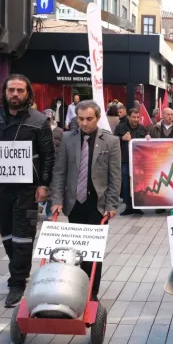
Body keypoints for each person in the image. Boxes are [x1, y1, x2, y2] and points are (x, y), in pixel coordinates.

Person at [0, 74, 55, 308]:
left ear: (28, 94)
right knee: (6, 234)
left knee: (24, 235)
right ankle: (20, 270)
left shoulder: (39, 120)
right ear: (4, 92)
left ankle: (17, 282)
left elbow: (48, 155)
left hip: (28, 189)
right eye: (11, 90)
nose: (15, 94)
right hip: (0, 189)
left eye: (20, 90)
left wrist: (44, 184)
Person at [51, 100, 121, 302]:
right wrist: (57, 199)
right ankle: (75, 288)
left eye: (89, 119)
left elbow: (114, 176)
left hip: (97, 205)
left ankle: (92, 294)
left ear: (98, 118)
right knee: (75, 251)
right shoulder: (67, 139)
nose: (84, 123)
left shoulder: (110, 141)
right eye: (80, 119)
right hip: (74, 204)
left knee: (93, 253)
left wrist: (111, 205)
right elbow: (60, 171)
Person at [114, 108, 148, 215]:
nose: (136, 119)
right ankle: (128, 206)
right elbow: (113, 141)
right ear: (129, 116)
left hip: (138, 162)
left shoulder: (143, 128)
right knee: (126, 184)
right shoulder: (120, 127)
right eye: (134, 117)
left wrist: (148, 138)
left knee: (138, 184)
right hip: (125, 161)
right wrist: (122, 138)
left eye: (138, 117)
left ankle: (137, 206)